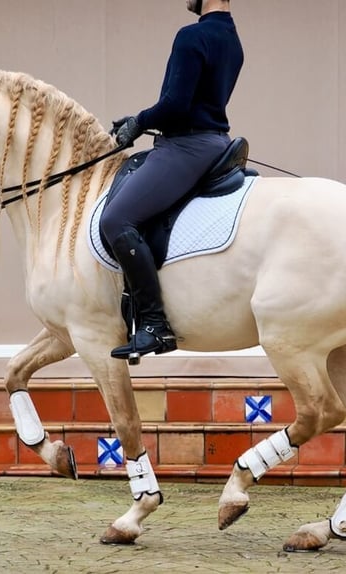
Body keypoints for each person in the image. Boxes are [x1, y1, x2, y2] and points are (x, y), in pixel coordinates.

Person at [101, 0, 244, 360]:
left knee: (116, 219)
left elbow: (175, 105)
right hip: (214, 143)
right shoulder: (232, 40)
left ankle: (153, 323)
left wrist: (138, 120)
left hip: (186, 146)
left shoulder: (192, 36)